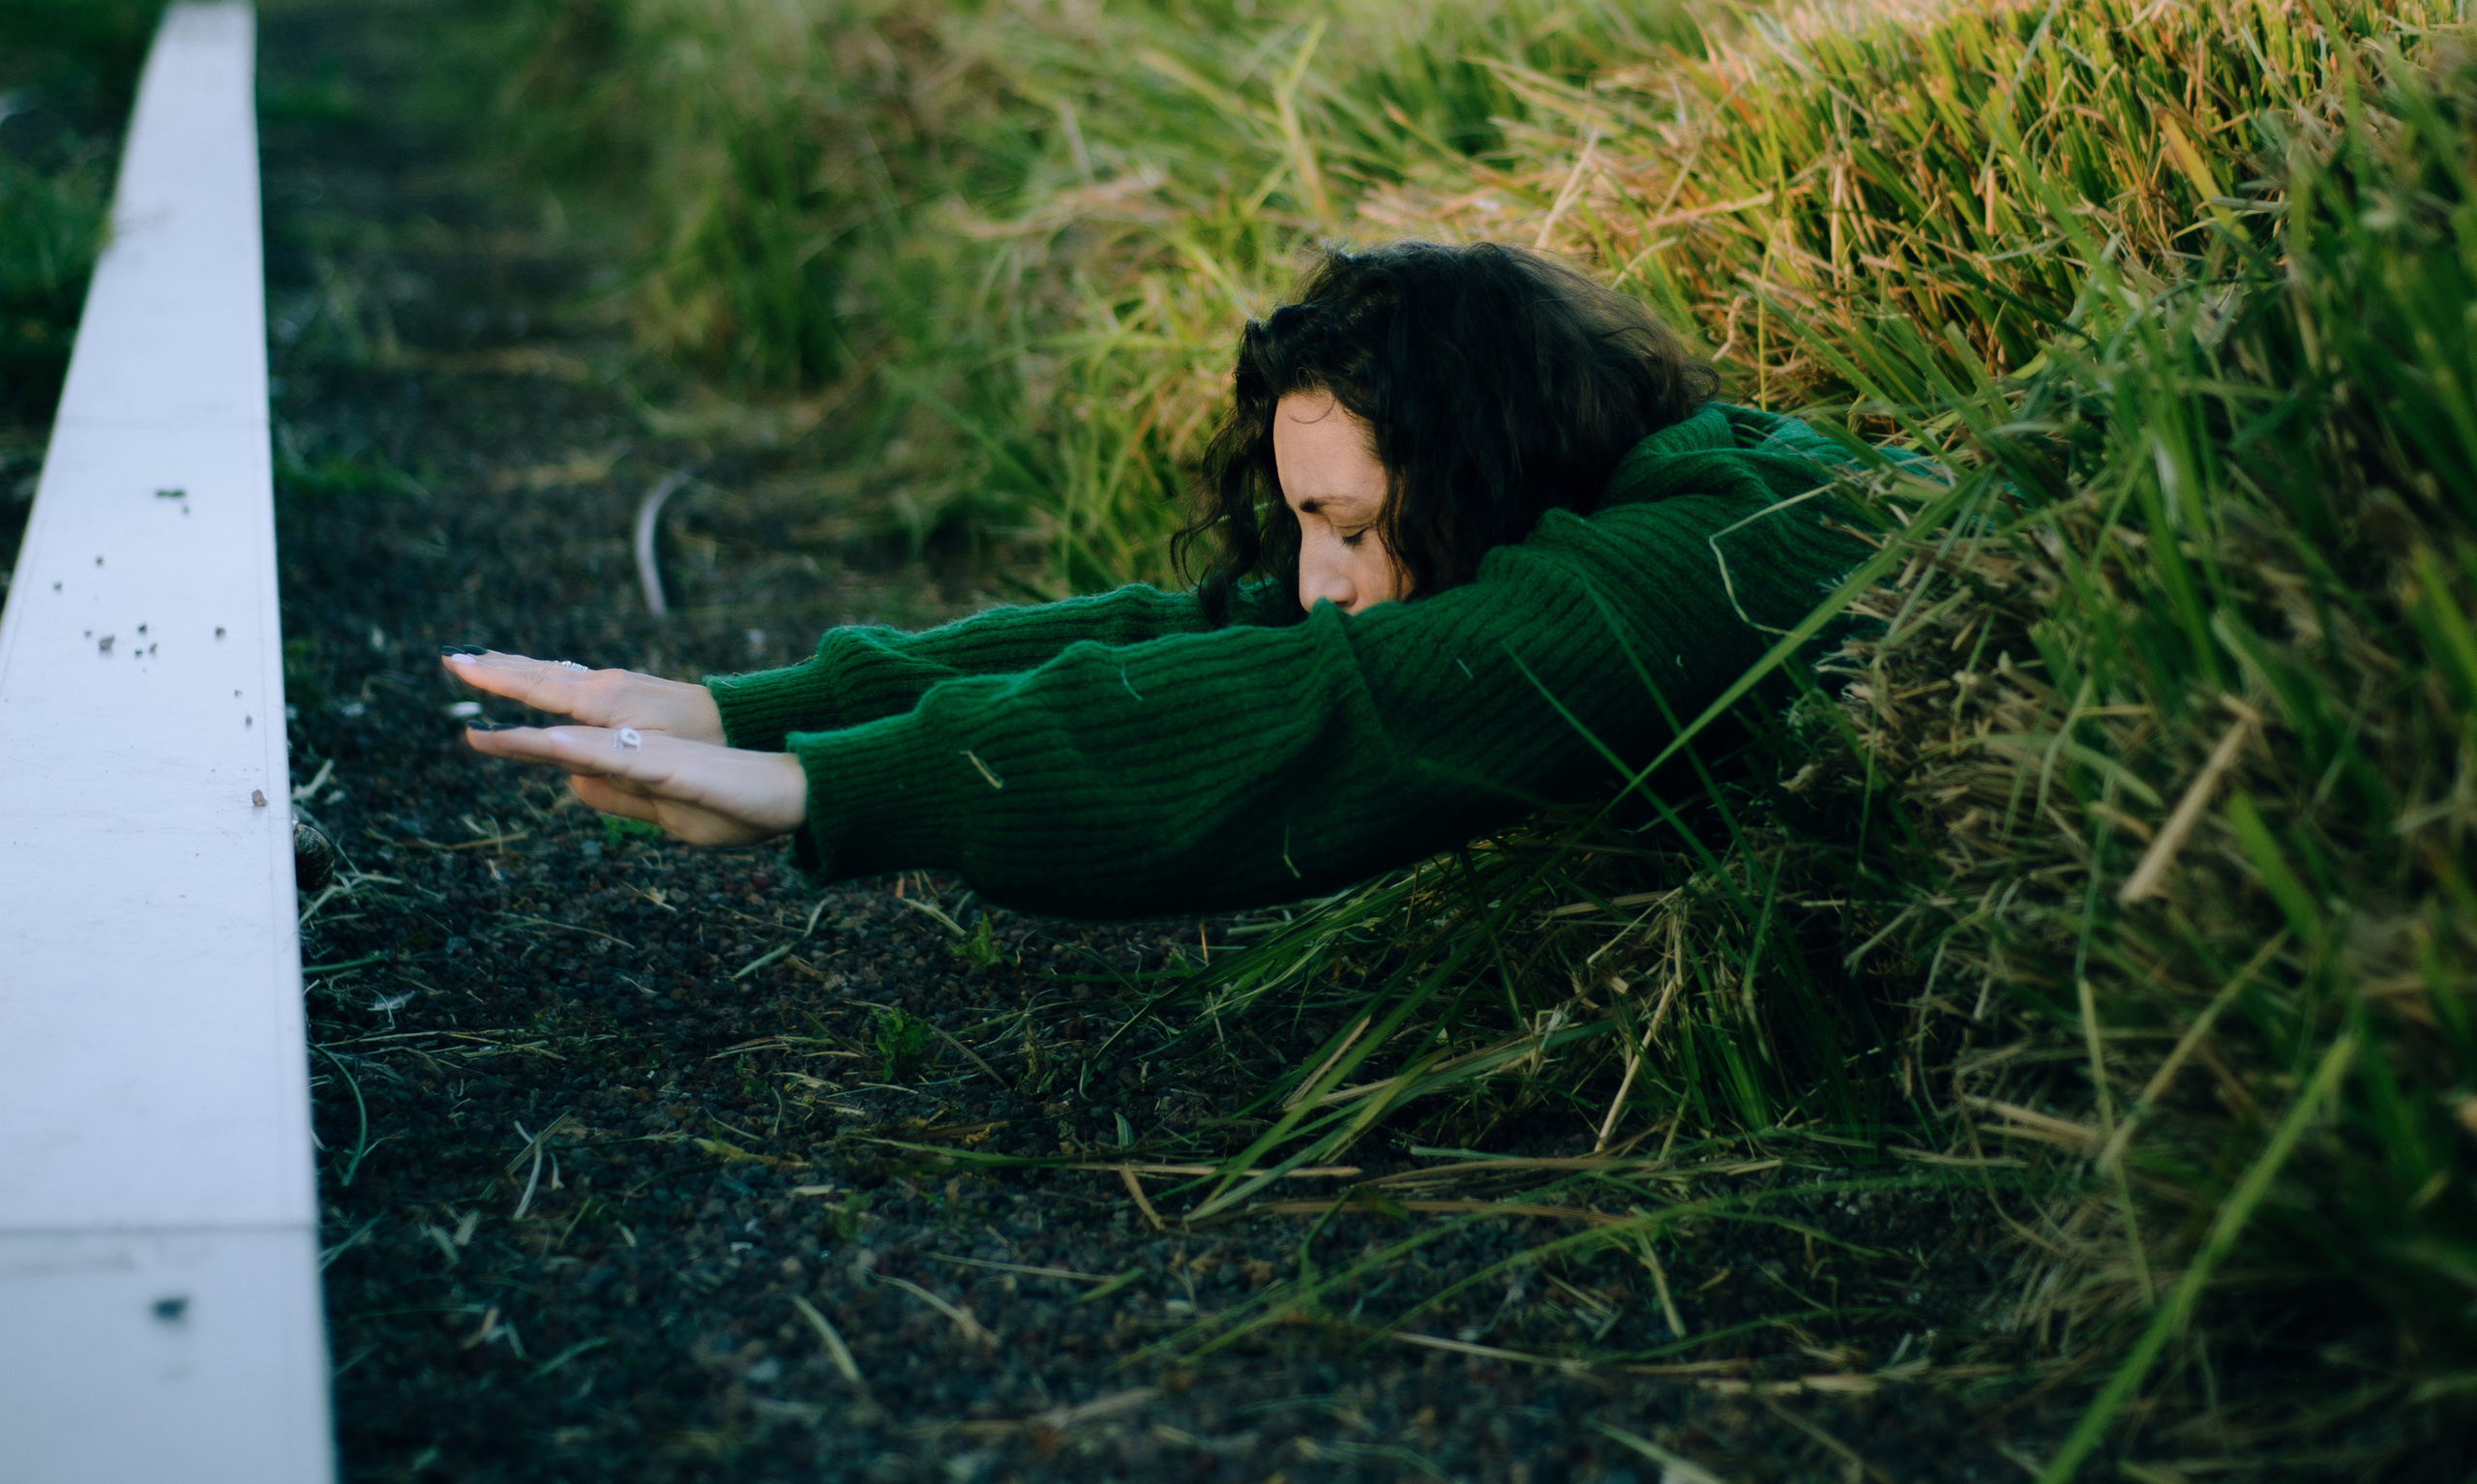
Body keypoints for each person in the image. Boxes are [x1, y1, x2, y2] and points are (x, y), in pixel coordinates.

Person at [447, 239, 1866, 920]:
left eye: (1352, 525)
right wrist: (736, 710)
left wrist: (836, 787)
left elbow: (1313, 716)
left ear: (1486, 468)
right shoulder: (1625, 493)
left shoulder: (1687, 564)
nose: (1319, 582)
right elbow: (1195, 629)